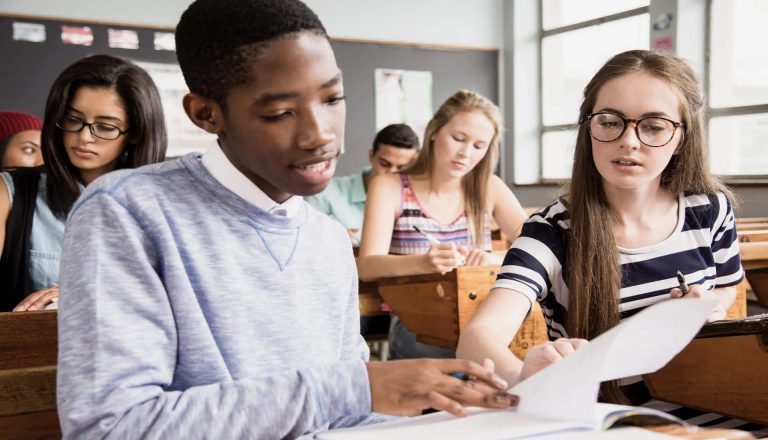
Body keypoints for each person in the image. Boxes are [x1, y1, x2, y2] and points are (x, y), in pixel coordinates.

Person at [55, 1, 584, 438]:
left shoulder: (325, 238)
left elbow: (347, 415)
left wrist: (503, 399)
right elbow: (110, 427)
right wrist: (360, 387)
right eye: (281, 112)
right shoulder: (126, 213)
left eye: (333, 99)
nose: (322, 134)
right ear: (206, 114)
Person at [457, 50, 763, 434]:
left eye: (653, 126)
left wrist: (703, 315)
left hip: (723, 411)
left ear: (681, 137)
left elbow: (728, 308)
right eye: (610, 122)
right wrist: (523, 378)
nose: (629, 141)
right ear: (589, 129)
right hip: (619, 424)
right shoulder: (551, 232)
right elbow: (477, 339)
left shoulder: (711, 209)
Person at [357, 90, 529, 360]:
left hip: (485, 313)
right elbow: (367, 266)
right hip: (416, 319)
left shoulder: (489, 187)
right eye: (458, 138)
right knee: (469, 356)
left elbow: (539, 249)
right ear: (434, 131)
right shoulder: (389, 186)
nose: (465, 153)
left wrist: (492, 259)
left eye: (478, 145)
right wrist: (423, 263)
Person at [0, 55, 167, 312]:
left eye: (105, 127)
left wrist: (83, 292)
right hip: (36, 348)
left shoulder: (164, 203)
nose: (84, 137)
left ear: (135, 132)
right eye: (74, 120)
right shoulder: (10, 193)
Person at [306, 123, 420, 245]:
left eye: (402, 167)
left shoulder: (418, 201)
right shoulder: (324, 194)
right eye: (385, 164)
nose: (392, 172)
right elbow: (306, 242)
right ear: (371, 156)